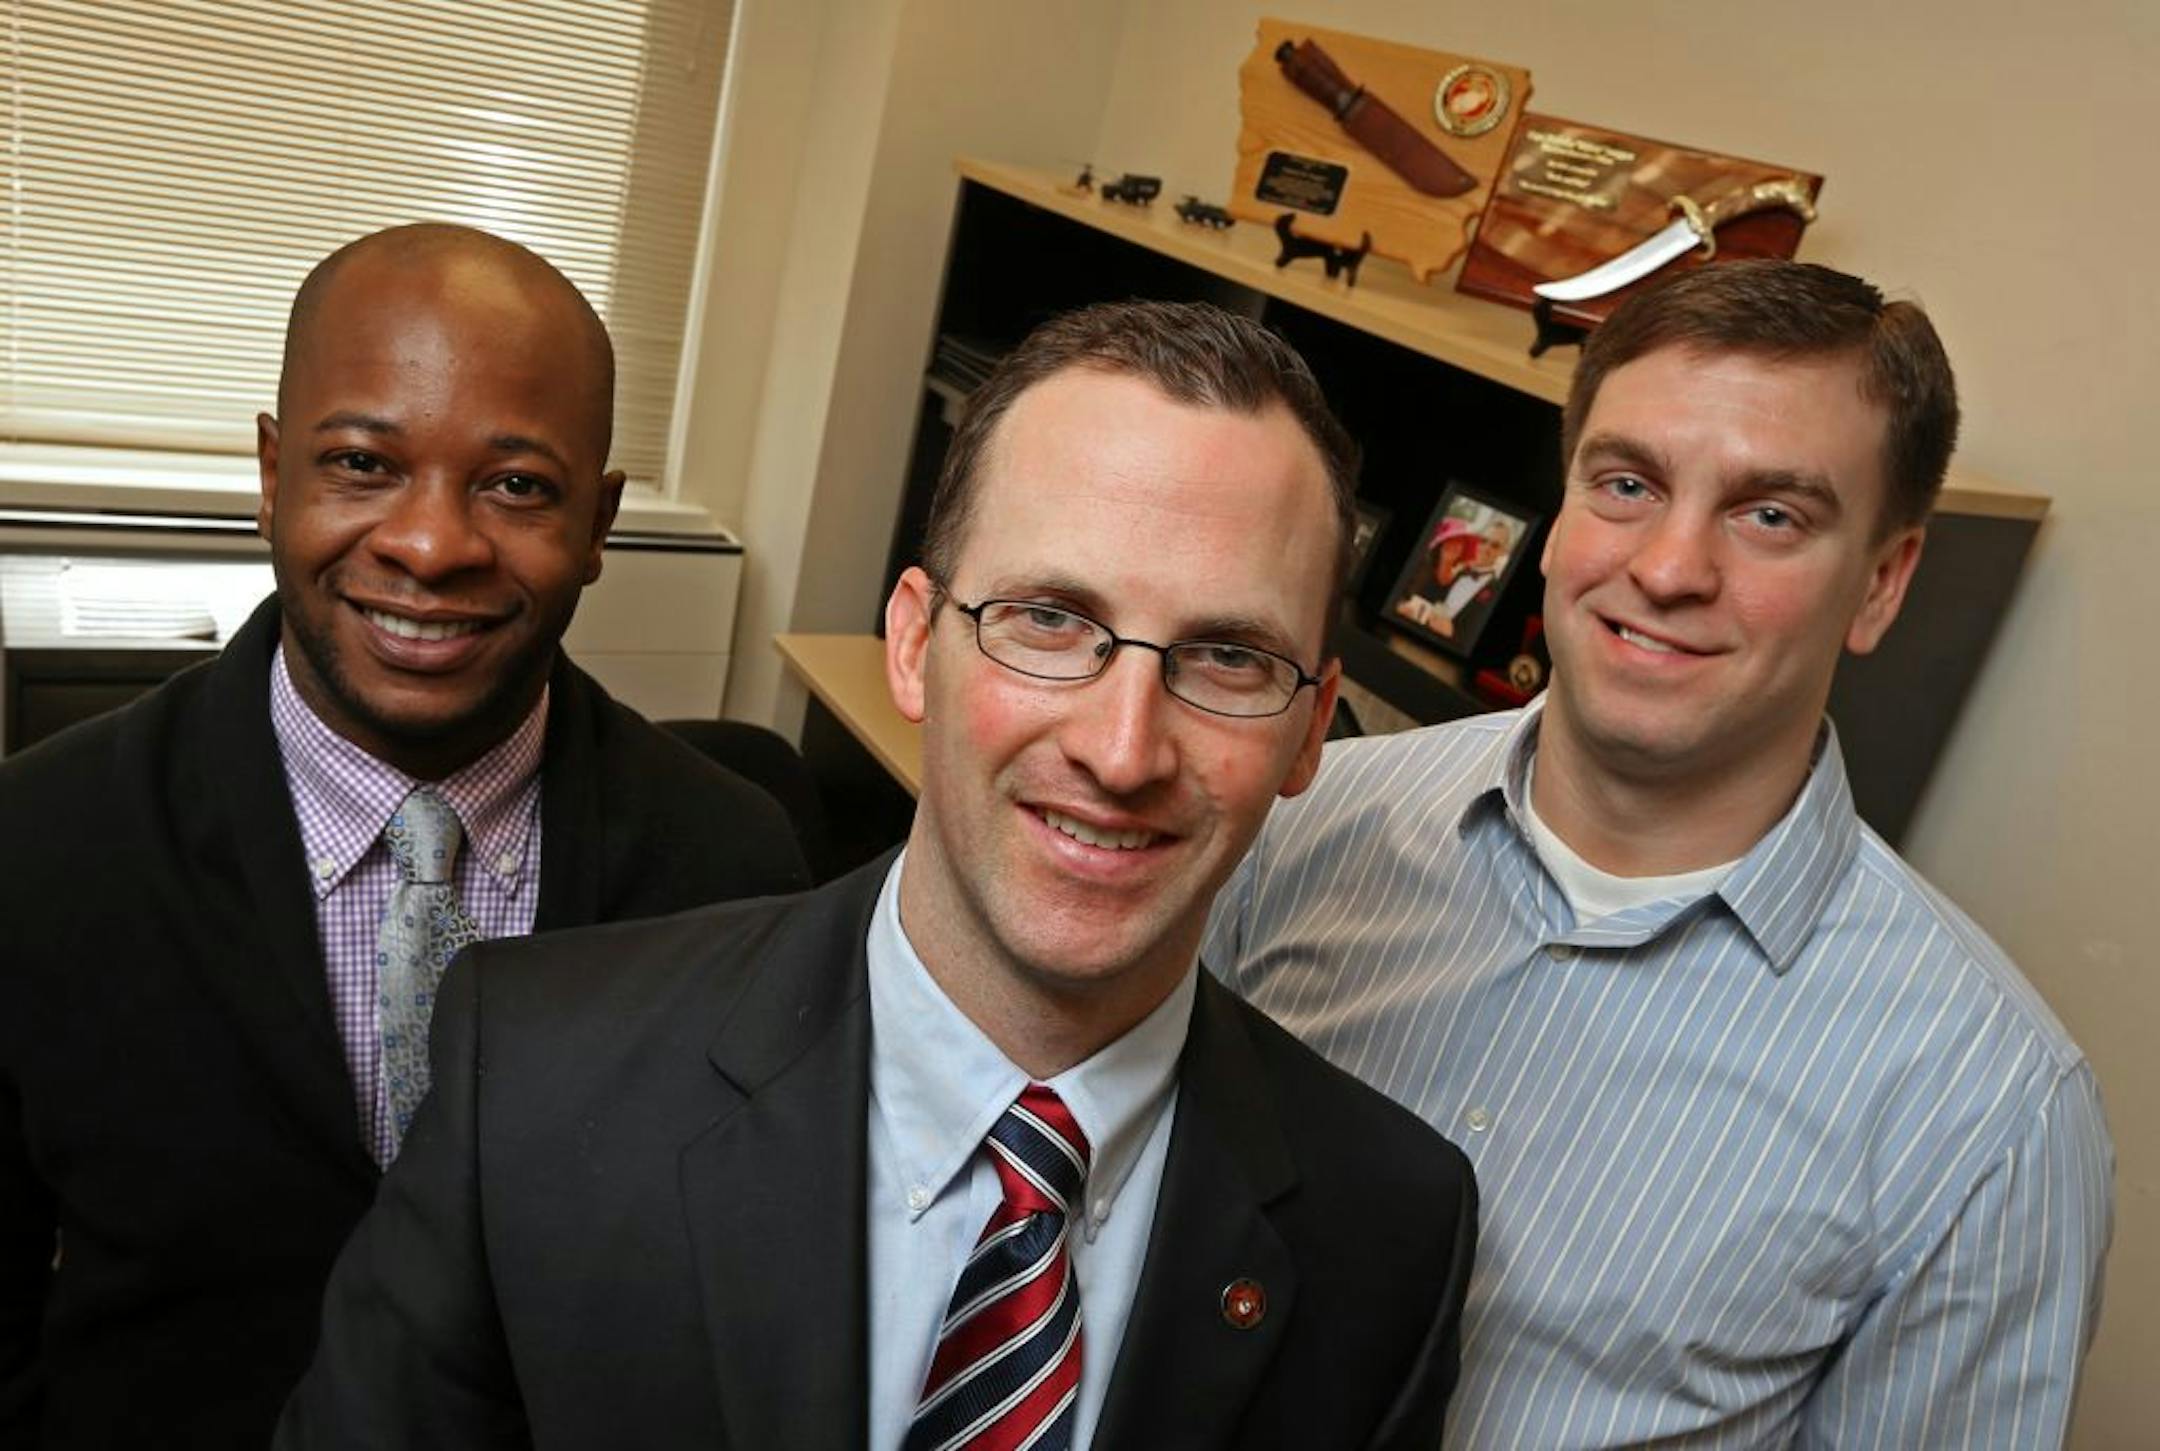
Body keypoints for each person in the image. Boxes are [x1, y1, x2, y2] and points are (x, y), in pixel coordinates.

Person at [276, 300, 1478, 1450]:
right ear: (913, 642)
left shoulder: (1390, 1231)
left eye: (1227, 655)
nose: (1122, 750)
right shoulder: (533, 1072)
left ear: (1315, 727)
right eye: (1050, 619)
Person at [1205, 261, 2113, 1447]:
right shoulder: (1293, 828)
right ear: (1561, 511)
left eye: (1770, 514)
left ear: (1880, 584)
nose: (1672, 567)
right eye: (1627, 483)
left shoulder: (1989, 1114)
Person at [0, 225, 809, 1448]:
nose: (432, 545)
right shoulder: (39, 848)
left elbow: (735, 1313)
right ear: (274, 473)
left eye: (517, 484)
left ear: (599, 520)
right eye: (363, 463)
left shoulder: (732, 873)